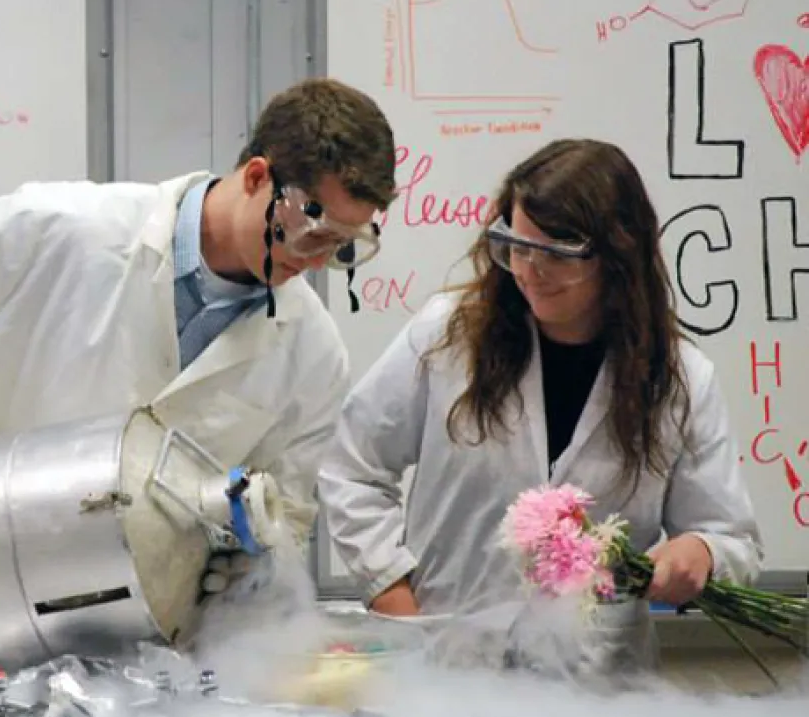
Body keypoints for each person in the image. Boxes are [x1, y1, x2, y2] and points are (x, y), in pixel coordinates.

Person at [0, 77, 396, 695]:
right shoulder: (66, 230)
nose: (314, 259)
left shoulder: (312, 355)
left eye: (343, 245)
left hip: (134, 675)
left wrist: (252, 559)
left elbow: (284, 523)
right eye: (310, 227)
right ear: (257, 176)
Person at [316, 138, 762, 671]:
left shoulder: (680, 381)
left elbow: (732, 539)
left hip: (597, 685)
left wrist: (703, 554)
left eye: (555, 254)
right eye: (516, 246)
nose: (528, 271)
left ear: (618, 256)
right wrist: (395, 597)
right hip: (447, 666)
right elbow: (352, 468)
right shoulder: (448, 337)